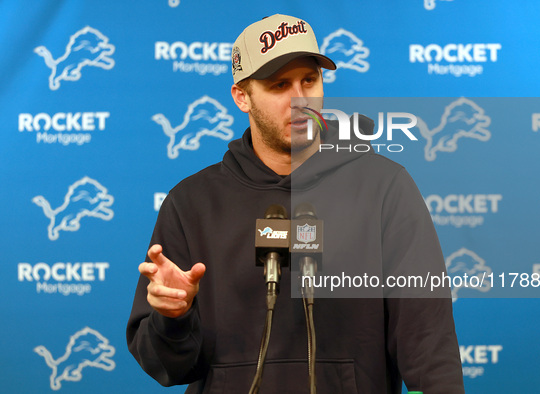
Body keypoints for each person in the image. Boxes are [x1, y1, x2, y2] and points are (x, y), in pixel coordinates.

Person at [127, 14, 465, 393]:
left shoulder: (384, 188)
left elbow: (429, 343)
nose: (300, 99)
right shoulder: (191, 204)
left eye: (310, 80)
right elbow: (166, 368)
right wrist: (173, 316)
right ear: (242, 96)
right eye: (279, 85)